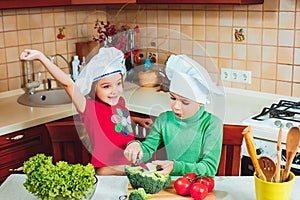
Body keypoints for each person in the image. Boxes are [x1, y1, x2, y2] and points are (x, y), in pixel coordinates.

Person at [20, 47, 153, 175]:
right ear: (93, 88)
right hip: (107, 168)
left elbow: (116, 119)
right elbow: (68, 84)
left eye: (118, 84)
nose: (114, 91)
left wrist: (138, 120)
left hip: (128, 162)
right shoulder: (89, 108)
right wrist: (41, 57)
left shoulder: (119, 102)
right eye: (106, 86)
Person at [124, 54, 224, 177]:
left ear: (200, 103)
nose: (176, 106)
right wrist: (136, 147)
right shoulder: (164, 119)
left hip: (200, 186)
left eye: (185, 102)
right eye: (172, 97)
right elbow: (148, 149)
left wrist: (175, 166)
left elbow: (209, 168)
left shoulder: (212, 124)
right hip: (172, 186)